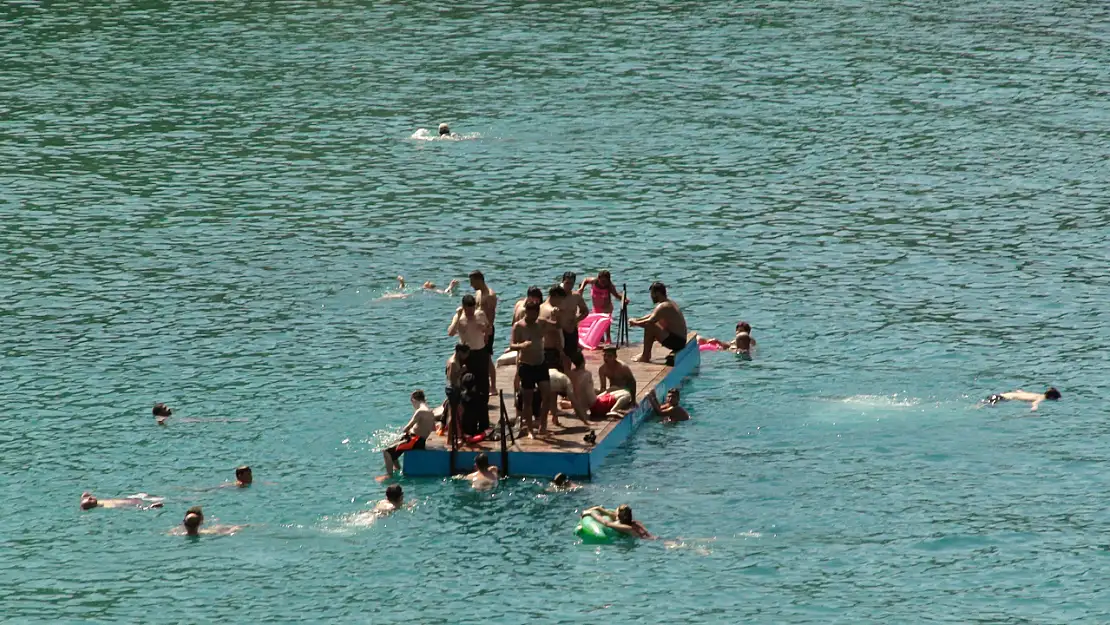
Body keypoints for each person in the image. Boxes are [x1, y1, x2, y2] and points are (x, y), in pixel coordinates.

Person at [510, 300, 550, 438]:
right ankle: (530, 430)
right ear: (527, 312)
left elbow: (558, 325)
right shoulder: (519, 326)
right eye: (532, 314)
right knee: (528, 400)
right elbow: (512, 345)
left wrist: (557, 315)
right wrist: (522, 345)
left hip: (540, 364)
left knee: (547, 395)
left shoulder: (541, 322)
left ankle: (543, 424)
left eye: (537, 313)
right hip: (526, 365)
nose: (535, 317)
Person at [380, 390, 436, 478]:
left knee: (386, 451)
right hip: (419, 440)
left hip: (414, 440)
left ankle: (389, 476)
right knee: (393, 450)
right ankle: (397, 470)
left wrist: (400, 434)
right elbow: (433, 429)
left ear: (413, 400)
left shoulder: (420, 411)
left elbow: (407, 427)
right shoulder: (431, 412)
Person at [629, 282, 688, 363]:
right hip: (680, 340)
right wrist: (637, 319)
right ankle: (646, 354)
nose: (651, 296)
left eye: (652, 294)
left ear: (658, 293)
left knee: (650, 326)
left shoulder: (663, 306)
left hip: (677, 342)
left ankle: (645, 356)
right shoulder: (668, 303)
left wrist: (635, 324)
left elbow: (650, 321)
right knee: (652, 325)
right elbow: (652, 315)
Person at [568, 351, 633, 421]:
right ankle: (614, 410)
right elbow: (587, 394)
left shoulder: (571, 374)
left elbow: (579, 392)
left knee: (613, 388)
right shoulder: (587, 374)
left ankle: (609, 402)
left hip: (591, 405)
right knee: (627, 394)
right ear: (583, 361)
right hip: (597, 406)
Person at [449, 293, 490, 398]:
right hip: (466, 354)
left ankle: (483, 402)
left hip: (480, 351)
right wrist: (458, 316)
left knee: (483, 379)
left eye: (472, 309)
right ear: (463, 307)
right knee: (466, 380)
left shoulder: (480, 314)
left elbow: (489, 330)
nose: (470, 313)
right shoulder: (459, 318)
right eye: (468, 310)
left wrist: (484, 328)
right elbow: (451, 333)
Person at [469, 270, 498, 396]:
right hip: (478, 329)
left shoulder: (490, 295)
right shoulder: (478, 293)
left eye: (472, 282)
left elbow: (491, 316)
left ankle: (493, 387)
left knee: (487, 357)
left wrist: (487, 333)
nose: (471, 285)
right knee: (480, 357)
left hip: (487, 329)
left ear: (479, 280)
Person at [578, 270, 626, 343]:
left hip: (606, 308)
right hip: (596, 308)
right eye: (602, 281)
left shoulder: (610, 286)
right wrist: (582, 288)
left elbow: (616, 295)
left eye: (605, 281)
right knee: (598, 329)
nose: (603, 284)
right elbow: (586, 280)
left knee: (606, 327)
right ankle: (601, 341)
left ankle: (608, 339)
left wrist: (624, 299)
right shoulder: (594, 281)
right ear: (598, 278)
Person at [559, 272, 589, 363]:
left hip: (571, 330)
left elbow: (585, 311)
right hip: (559, 330)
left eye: (571, 283)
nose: (569, 286)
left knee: (572, 356)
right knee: (560, 357)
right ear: (563, 282)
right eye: (567, 283)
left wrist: (576, 320)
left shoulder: (576, 296)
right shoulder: (556, 296)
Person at [582, 504, 654, 539]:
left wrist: (592, 513)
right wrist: (599, 509)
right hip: (652, 538)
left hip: (647, 541)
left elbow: (606, 523)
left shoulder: (627, 527)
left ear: (619, 515)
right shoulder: (636, 522)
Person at [540, 286, 567, 373]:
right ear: (555, 296)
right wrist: (561, 352)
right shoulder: (552, 311)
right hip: (552, 351)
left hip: (542, 348)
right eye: (560, 299)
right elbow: (555, 333)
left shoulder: (540, 307)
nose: (561, 302)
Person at [177, 506, 243, 537]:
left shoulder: (176, 534)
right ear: (200, 523)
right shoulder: (209, 532)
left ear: (184, 524)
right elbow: (231, 531)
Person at [986, 387, 1061, 411]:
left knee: (984, 403)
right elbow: (1034, 403)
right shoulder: (1040, 398)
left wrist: (1020, 391)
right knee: (984, 404)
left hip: (1002, 395)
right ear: (1051, 397)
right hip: (1004, 398)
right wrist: (1034, 408)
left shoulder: (1037, 395)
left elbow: (1025, 394)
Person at [80, 492, 163, 511]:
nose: (91, 497)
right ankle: (152, 507)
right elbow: (128, 507)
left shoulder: (100, 502)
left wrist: (85, 497)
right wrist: (149, 507)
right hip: (137, 503)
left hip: (135, 499)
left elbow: (85, 496)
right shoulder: (107, 506)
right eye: (90, 499)